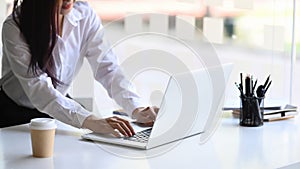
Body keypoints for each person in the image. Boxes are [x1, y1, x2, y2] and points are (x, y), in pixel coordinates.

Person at [0, 0, 158, 137]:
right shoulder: (14, 27)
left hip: (61, 108)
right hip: (15, 113)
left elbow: (109, 69)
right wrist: (88, 119)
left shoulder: (85, 15)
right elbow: (38, 87)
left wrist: (137, 109)